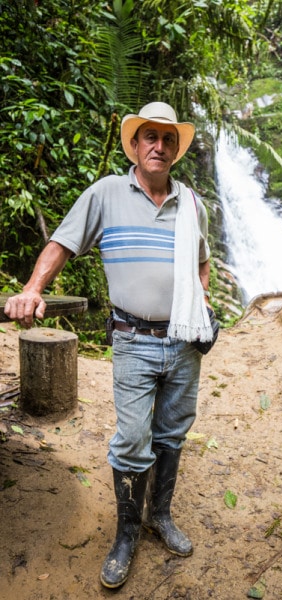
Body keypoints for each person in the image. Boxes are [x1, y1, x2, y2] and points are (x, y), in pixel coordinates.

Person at [4, 102, 217, 589]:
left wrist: (200, 302)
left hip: (184, 342)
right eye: (149, 137)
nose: (158, 146)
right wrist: (33, 289)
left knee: (172, 434)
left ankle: (158, 517)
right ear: (136, 145)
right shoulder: (106, 193)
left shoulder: (192, 204)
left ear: (176, 149)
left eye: (167, 139)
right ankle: (126, 535)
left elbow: (203, 260)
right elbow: (62, 243)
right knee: (132, 440)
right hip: (133, 340)